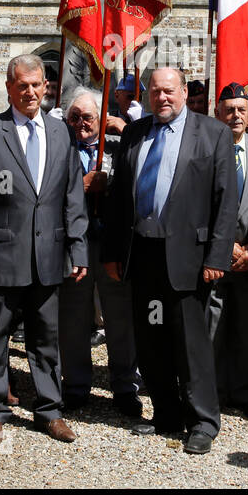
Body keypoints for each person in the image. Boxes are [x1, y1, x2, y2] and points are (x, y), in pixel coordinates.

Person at [104, 67, 237, 454]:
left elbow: (224, 201)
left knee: (190, 343)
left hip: (189, 259)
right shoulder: (134, 133)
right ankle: (166, 413)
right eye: (155, 91)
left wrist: (217, 254)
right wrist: (113, 252)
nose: (162, 98)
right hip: (142, 254)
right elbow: (117, 200)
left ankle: (203, 421)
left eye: (169, 91)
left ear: (183, 92)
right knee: (152, 336)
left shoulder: (212, 133)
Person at [0, 54, 89, 447]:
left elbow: (73, 198)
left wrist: (78, 249)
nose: (31, 92)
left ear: (46, 86)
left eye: (38, 85)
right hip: (2, 259)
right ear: (9, 88)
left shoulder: (61, 132)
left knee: (45, 340)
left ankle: (49, 410)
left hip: (50, 257)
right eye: (23, 85)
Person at [58, 88, 141, 416]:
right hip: (73, 246)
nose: (81, 123)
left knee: (120, 319)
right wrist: (81, 185)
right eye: (74, 117)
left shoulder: (120, 149)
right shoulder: (59, 149)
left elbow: (136, 186)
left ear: (101, 118)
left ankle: (125, 387)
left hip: (111, 245)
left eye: (87, 117)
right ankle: (76, 385)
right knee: (74, 320)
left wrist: (110, 184)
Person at [205, 82, 248, 420]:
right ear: (218, 114)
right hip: (215, 257)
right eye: (228, 110)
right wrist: (221, 246)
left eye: (240, 110)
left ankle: (245, 393)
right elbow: (195, 204)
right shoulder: (204, 148)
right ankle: (213, 393)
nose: (235, 115)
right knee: (213, 327)